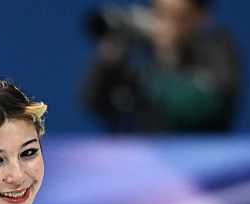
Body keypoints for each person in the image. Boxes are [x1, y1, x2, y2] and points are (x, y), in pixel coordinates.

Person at [80, 0, 240, 133]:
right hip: (138, 160)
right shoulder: (141, 54)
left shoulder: (216, 48)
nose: (164, 23)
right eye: (159, 13)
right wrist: (109, 58)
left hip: (199, 159)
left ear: (201, 17)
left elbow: (206, 106)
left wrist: (168, 57)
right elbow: (93, 101)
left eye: (176, 16)